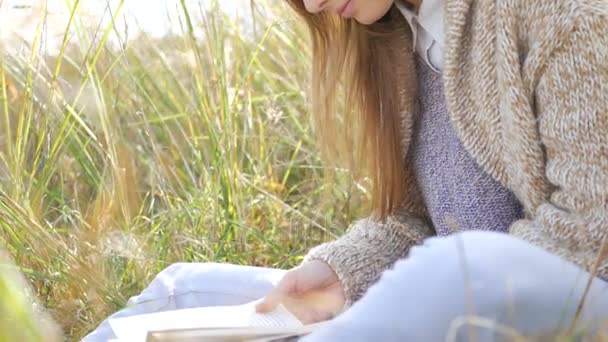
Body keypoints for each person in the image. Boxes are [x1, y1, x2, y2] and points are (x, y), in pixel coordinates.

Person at [84, 0, 608, 341]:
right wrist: (341, 272)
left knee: (462, 264)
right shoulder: (399, 35)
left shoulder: (560, 12)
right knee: (182, 292)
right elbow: (414, 222)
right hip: (454, 301)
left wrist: (372, 313)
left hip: (577, 302)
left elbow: (594, 237)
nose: (313, 5)